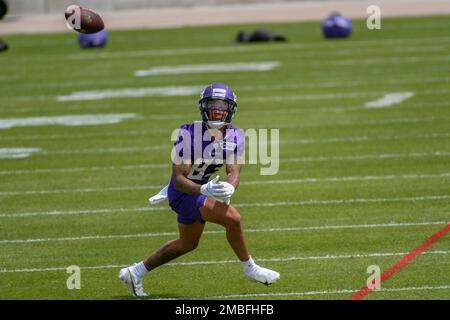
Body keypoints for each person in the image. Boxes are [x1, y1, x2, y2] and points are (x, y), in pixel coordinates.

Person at [119, 83, 280, 297]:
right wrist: (204, 189)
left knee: (187, 244)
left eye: (223, 106)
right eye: (213, 105)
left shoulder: (236, 135)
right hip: (185, 192)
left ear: (231, 109)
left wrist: (229, 188)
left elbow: (234, 171)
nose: (217, 110)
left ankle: (134, 272)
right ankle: (250, 268)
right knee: (233, 219)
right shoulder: (188, 133)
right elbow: (178, 179)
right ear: (203, 107)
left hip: (204, 189)